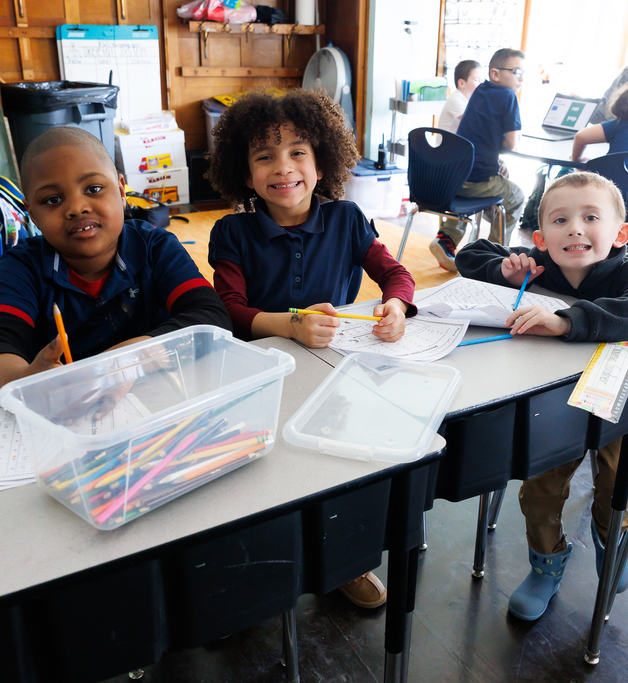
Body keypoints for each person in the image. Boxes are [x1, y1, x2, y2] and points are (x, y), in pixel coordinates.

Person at [206, 89, 417, 608]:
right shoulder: (232, 232)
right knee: (259, 476)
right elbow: (228, 310)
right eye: (264, 156)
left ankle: (347, 560)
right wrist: (289, 324)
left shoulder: (347, 219)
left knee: (341, 467)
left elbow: (395, 274)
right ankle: (255, 568)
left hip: (332, 372)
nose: (284, 168)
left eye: (298, 151)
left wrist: (396, 306)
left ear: (322, 162)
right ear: (245, 172)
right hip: (258, 377)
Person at [454, 172, 628, 621]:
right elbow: (470, 255)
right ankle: (546, 564)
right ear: (541, 237)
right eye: (560, 220)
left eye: (591, 217)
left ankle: (610, 538)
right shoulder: (542, 262)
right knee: (539, 491)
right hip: (555, 404)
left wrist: (567, 321)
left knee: (621, 484)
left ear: (621, 234)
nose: (574, 228)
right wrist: (504, 268)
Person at [0, 127, 231, 400]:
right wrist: (25, 382)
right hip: (63, 411)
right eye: (52, 200)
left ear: (122, 190)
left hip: (159, 401)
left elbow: (211, 316)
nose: (77, 207)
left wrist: (127, 361)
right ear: (32, 214)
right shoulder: (21, 267)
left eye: (93, 188)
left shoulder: (155, 248)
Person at [455, 48, 526, 247]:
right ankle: (494, 251)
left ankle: (447, 240)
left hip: (454, 177)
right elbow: (512, 143)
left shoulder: (480, 91)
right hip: (479, 180)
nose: (521, 80)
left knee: (500, 175)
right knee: (517, 196)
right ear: (495, 73)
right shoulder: (508, 96)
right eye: (517, 73)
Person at [430, 59, 483, 272]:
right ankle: (485, 253)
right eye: (476, 80)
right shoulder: (457, 100)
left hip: (453, 167)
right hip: (450, 172)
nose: (480, 85)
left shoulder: (465, 101)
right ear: (461, 82)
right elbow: (475, 127)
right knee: (487, 186)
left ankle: (447, 241)